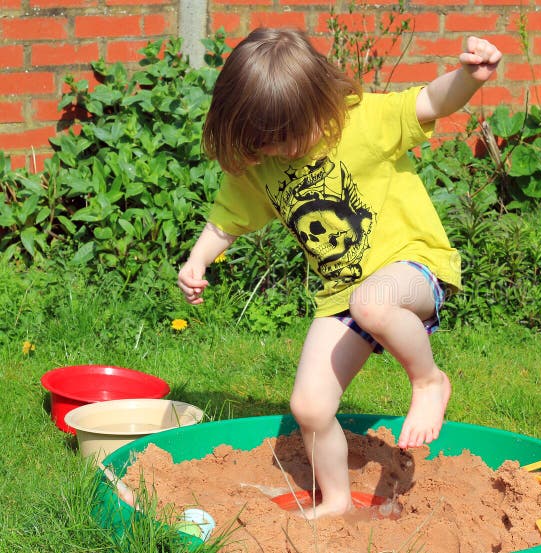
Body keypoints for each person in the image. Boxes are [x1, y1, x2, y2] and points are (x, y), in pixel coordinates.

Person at [178, 27, 502, 518]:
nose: (282, 150)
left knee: (372, 302)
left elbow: (431, 101)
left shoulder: (361, 121)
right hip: (343, 296)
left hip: (414, 267)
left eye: (290, 135)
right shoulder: (262, 165)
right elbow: (229, 217)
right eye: (267, 143)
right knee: (309, 407)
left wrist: (469, 77)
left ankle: (429, 381)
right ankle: (336, 502)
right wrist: (199, 259)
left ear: (318, 101)